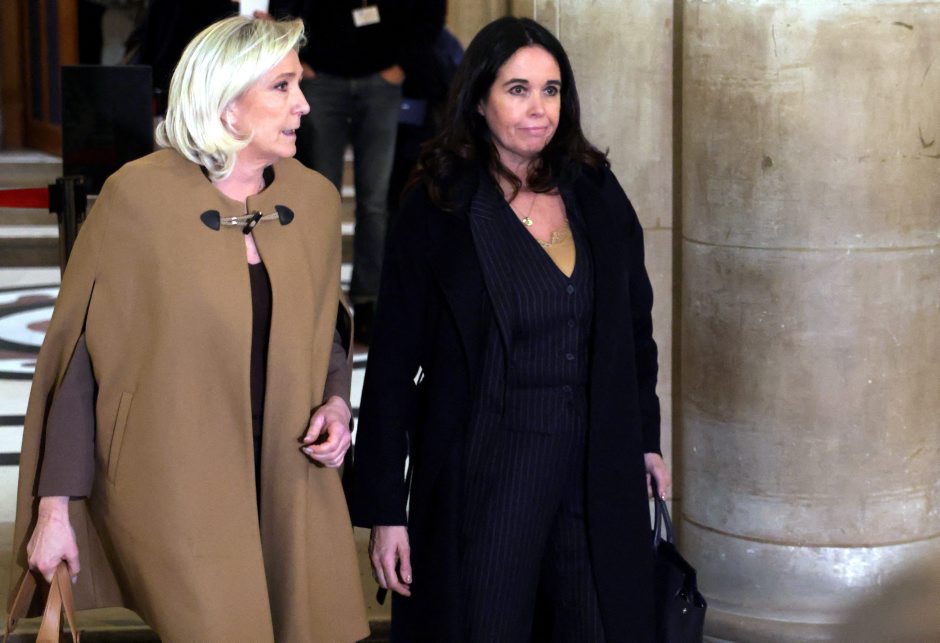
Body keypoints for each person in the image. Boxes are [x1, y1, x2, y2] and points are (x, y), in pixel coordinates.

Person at [9, 16, 369, 641]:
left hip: (293, 479)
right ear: (227, 104)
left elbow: (323, 331)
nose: (304, 105)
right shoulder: (137, 199)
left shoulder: (312, 199)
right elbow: (81, 365)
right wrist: (54, 508)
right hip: (178, 488)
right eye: (282, 86)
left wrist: (337, 403)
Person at [351, 16, 670, 643]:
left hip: (593, 470)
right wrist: (387, 510)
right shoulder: (437, 205)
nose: (538, 108)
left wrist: (645, 439)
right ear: (479, 98)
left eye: (551, 90)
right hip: (487, 475)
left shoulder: (595, 190)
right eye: (517, 89)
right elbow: (391, 365)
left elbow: (635, 330)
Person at [268, 0, 446, 344]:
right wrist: (301, 61)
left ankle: (368, 302)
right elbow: (285, 5)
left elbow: (429, 14)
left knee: (375, 201)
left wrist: (402, 65)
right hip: (321, 76)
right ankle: (323, 299)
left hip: (382, 77)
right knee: (319, 199)